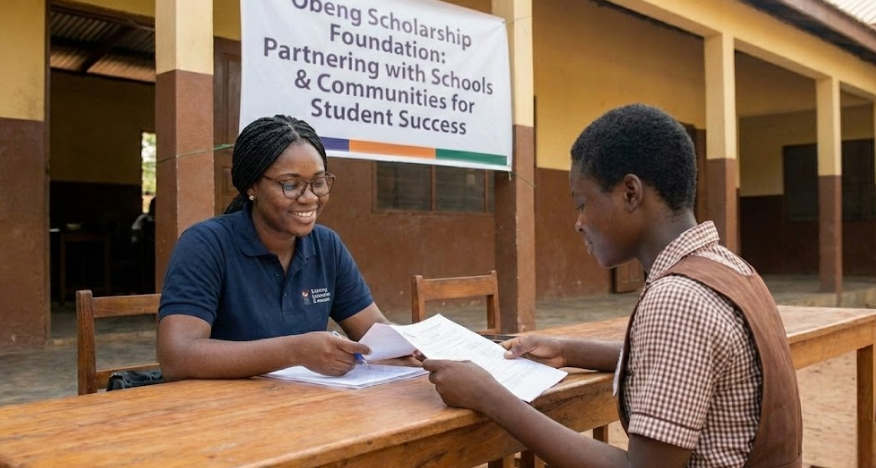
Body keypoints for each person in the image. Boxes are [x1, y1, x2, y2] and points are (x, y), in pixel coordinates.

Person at [422, 104, 803, 468]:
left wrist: (490, 396)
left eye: (581, 203)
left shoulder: (677, 299)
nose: (578, 222)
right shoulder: (730, 269)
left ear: (630, 193)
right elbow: (683, 362)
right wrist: (569, 350)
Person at [157, 116, 391, 381]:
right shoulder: (206, 244)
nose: (309, 197)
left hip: (304, 405)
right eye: (290, 185)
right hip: (222, 410)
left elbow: (374, 330)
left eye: (318, 182)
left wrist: (419, 345)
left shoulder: (327, 246)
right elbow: (178, 357)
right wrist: (296, 351)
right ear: (252, 186)